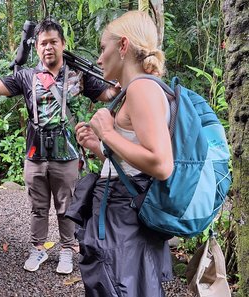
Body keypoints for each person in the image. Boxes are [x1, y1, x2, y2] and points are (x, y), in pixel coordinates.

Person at [0, 17, 117, 274]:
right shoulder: (27, 76)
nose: (48, 47)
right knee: (37, 205)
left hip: (67, 153)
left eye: (53, 42)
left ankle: (66, 250)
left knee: (66, 206)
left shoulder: (79, 76)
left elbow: (107, 94)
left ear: (63, 44)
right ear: (37, 46)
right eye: (43, 43)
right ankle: (38, 248)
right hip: (35, 153)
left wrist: (125, 82)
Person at [72, 10, 174, 296]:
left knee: (120, 286)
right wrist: (101, 147)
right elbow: (137, 165)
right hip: (125, 213)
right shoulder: (137, 90)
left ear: (123, 46)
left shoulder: (142, 88)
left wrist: (108, 133)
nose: (99, 58)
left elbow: (162, 164)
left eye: (103, 48)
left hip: (124, 217)